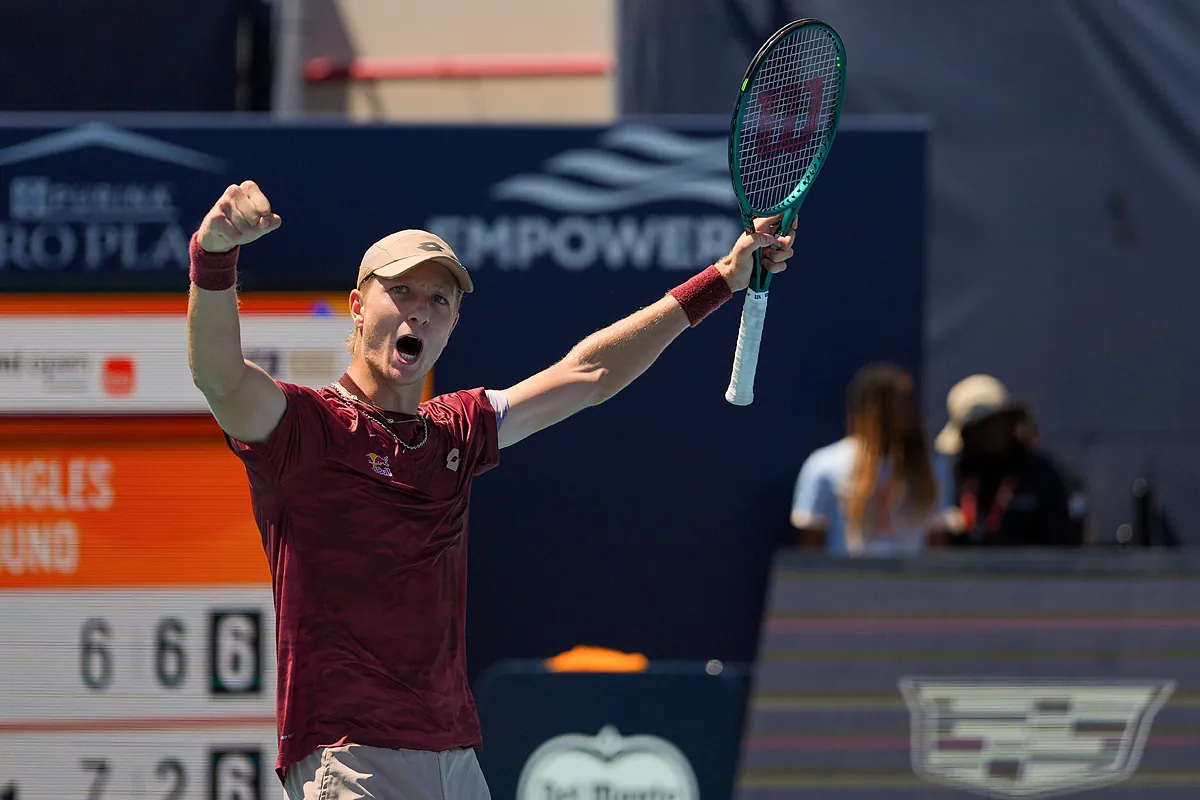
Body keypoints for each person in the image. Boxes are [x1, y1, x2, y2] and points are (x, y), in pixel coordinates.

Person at [186, 180, 797, 799]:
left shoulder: (456, 431)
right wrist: (215, 255)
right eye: (400, 291)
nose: (419, 310)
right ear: (357, 305)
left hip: (453, 757)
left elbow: (589, 374)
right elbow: (220, 376)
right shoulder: (303, 429)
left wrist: (722, 277)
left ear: (452, 325)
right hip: (350, 758)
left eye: (440, 300)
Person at [790, 363, 943, 556]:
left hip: (912, 584)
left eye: (909, 403)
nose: (906, 413)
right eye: (895, 404)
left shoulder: (933, 466)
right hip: (845, 583)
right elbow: (810, 547)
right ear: (869, 409)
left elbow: (938, 545)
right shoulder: (824, 465)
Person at [932, 374, 1080, 547]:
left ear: (1007, 421)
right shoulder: (956, 475)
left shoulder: (1042, 473)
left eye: (992, 422)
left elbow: (1063, 541)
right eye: (977, 427)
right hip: (967, 572)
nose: (987, 433)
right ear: (966, 435)